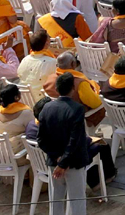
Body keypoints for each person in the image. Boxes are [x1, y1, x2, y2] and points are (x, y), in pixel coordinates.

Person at [37, 71, 98, 215]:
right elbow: (75, 140)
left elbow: (41, 140)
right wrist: (63, 162)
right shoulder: (77, 109)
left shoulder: (46, 108)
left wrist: (58, 159)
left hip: (55, 163)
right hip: (73, 163)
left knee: (55, 201)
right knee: (77, 202)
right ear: (73, 88)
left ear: (57, 89)